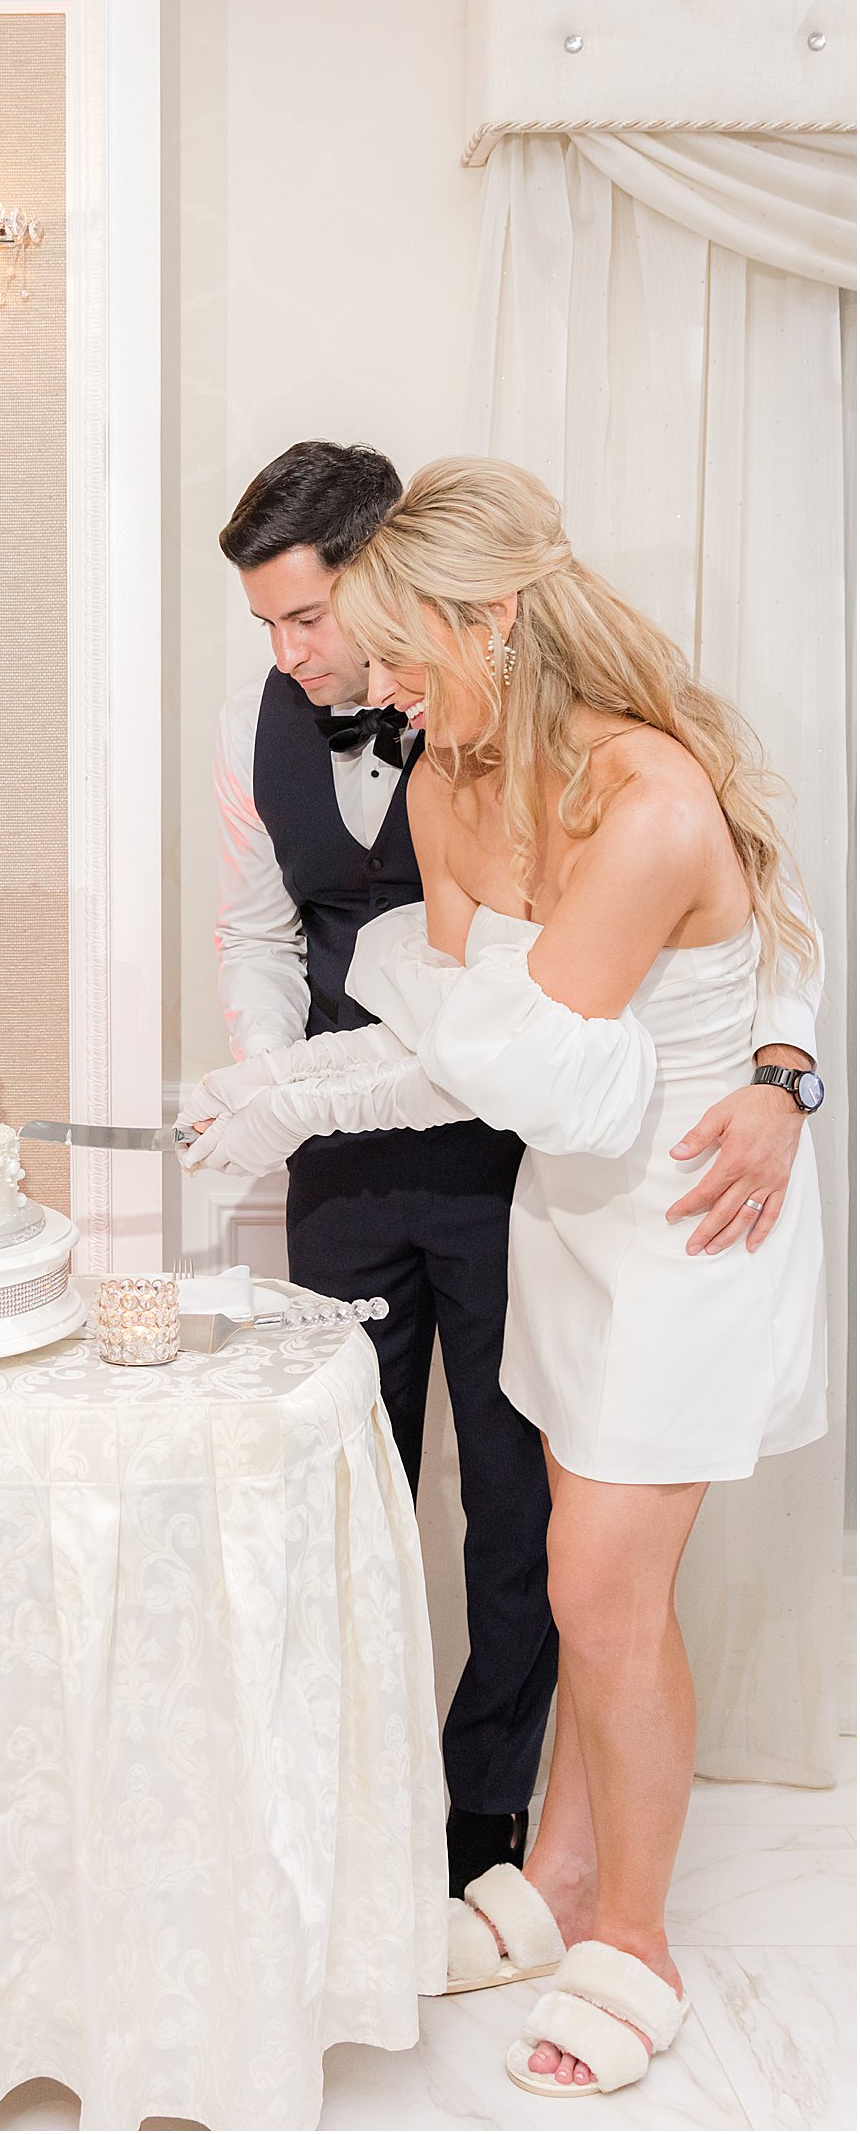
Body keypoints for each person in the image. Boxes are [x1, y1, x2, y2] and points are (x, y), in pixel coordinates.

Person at [184, 457, 827, 2098]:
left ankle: (640, 1940)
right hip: (569, 1214)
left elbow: (563, 1067)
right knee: (572, 1580)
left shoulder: (653, 795)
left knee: (603, 1590)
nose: (374, 695)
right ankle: (548, 1890)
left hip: (692, 1210)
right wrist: (307, 1071)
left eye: (391, 652)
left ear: (490, 617)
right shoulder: (452, 772)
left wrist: (782, 1071)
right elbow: (487, 1043)